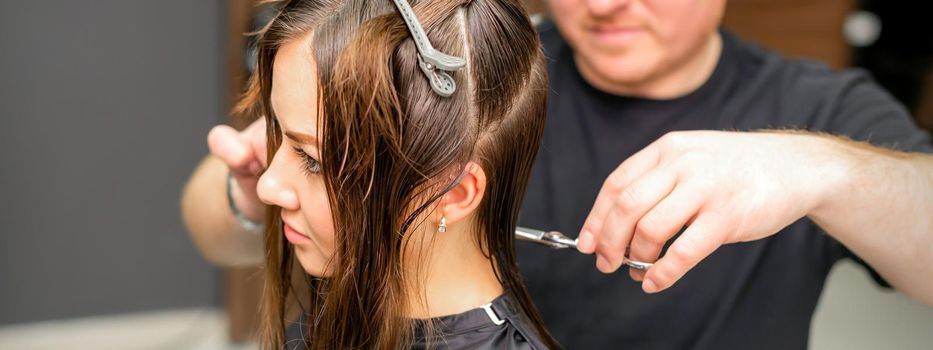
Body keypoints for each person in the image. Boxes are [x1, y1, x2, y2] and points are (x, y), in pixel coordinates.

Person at [182, 0, 933, 348]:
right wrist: (260, 190)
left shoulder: (819, 108)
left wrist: (827, 171)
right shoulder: (465, 79)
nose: (603, 5)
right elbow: (214, 227)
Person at [194, 0, 559, 348]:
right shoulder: (329, 317)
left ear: (452, 192)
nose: (267, 187)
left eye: (313, 160)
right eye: (278, 131)